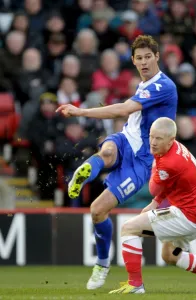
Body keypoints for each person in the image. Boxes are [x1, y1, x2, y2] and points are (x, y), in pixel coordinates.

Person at [56, 35, 178, 289]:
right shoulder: (144, 85)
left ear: (157, 57)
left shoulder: (163, 86)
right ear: (133, 61)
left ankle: (102, 265)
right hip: (125, 139)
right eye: (139, 58)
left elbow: (123, 110)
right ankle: (85, 173)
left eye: (148, 57)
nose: (144, 62)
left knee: (97, 210)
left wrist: (80, 111)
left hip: (142, 160)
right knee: (108, 151)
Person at [109, 117, 196, 294]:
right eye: (151, 137)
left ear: (171, 140)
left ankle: (135, 284)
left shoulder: (168, 162)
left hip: (186, 217)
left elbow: (154, 188)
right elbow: (169, 184)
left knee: (128, 228)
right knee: (170, 255)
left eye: (158, 139)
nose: (153, 143)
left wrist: (155, 163)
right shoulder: (176, 148)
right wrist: (154, 203)